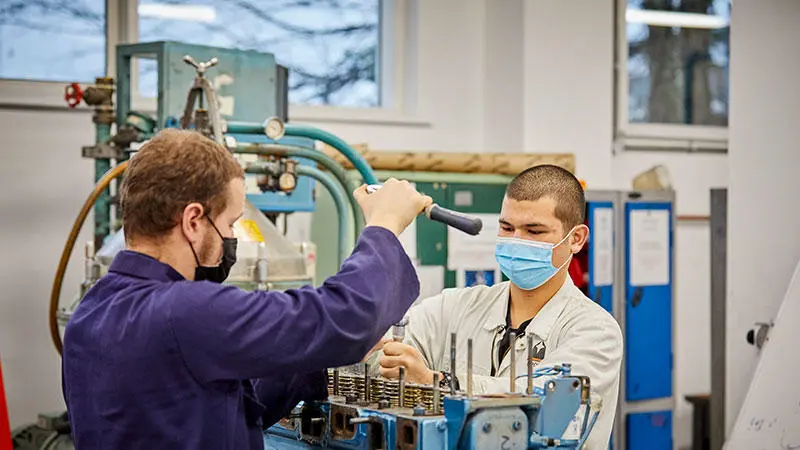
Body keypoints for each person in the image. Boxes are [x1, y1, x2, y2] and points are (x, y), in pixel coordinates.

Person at [62, 129, 432, 449]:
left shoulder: (91, 312)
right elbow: (345, 315)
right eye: (230, 223)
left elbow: (217, 411)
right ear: (193, 220)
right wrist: (384, 225)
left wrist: (316, 358)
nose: (230, 239)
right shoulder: (183, 310)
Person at [367, 165, 622, 449]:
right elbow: (378, 356)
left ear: (576, 239)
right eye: (507, 227)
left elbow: (543, 403)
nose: (516, 241)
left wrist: (436, 382)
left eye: (534, 231)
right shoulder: (456, 306)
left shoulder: (596, 331)